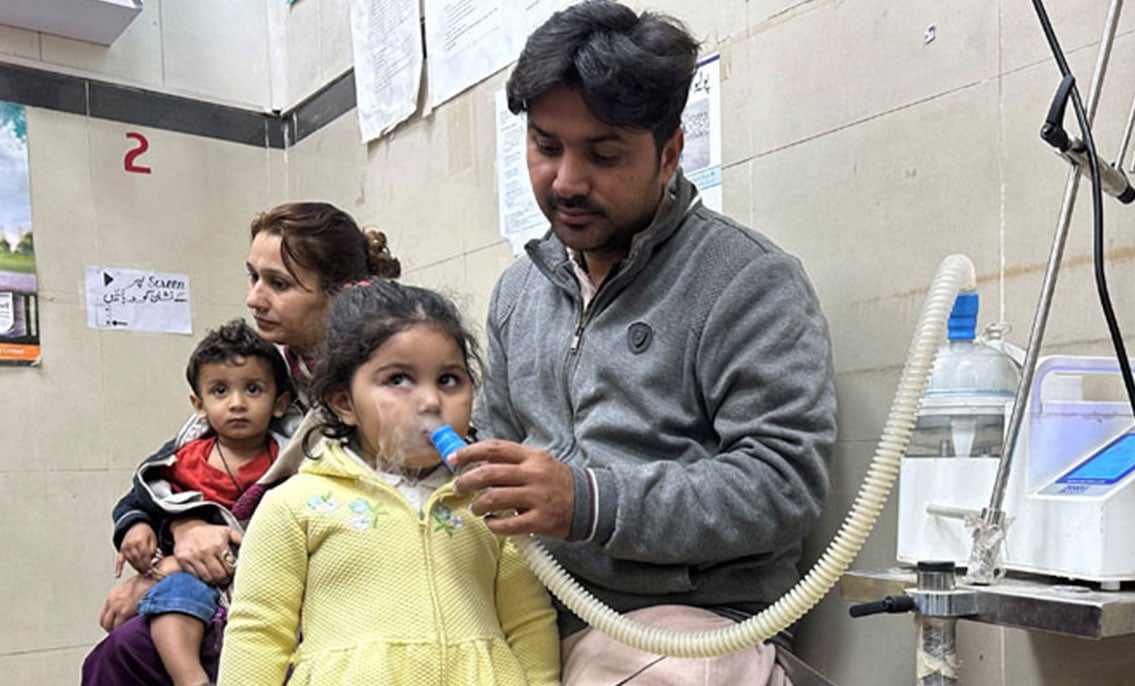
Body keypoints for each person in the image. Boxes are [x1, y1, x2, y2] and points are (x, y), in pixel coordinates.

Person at [453, 2, 837, 684]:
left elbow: (783, 484)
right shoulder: (519, 292)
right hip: (536, 608)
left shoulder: (748, 283)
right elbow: (494, 448)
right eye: (546, 147)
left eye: (603, 154)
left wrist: (590, 501)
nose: (567, 181)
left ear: (669, 154)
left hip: (687, 621)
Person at [82, 202, 402, 685]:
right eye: (253, 277)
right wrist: (182, 527)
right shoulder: (283, 373)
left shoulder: (379, 383)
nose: (253, 299)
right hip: (248, 581)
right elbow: (174, 469)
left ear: (344, 295)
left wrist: (162, 573)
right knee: (117, 656)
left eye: (278, 283)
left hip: (336, 597)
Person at [218, 280, 560, 685]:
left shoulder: (490, 504)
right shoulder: (295, 505)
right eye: (398, 379)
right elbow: (258, 632)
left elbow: (529, 623)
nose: (431, 402)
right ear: (344, 402)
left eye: (449, 379)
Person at [110, 318, 292, 686]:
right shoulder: (183, 459)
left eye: (253, 389)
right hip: (194, 578)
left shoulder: (288, 461)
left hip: (265, 580)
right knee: (177, 594)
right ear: (199, 404)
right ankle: (190, 679)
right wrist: (136, 527)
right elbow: (140, 500)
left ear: (279, 403)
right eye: (221, 391)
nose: (237, 403)